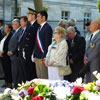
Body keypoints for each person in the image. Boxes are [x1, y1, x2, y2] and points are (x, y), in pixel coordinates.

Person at [20, 8, 39, 81]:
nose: (27, 16)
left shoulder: (36, 26)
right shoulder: (29, 25)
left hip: (32, 53)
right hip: (27, 52)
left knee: (32, 73)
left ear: (34, 16)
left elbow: (35, 41)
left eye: (29, 14)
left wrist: (33, 54)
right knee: (27, 72)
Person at [34, 10, 53, 79]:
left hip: (43, 56)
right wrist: (34, 55)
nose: (37, 18)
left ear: (43, 17)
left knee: (44, 76)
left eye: (38, 16)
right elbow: (36, 42)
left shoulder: (47, 27)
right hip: (38, 56)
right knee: (39, 75)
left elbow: (47, 43)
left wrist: (45, 56)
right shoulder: (39, 27)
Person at [8, 19, 22, 88]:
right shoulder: (15, 31)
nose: (12, 25)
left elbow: (17, 43)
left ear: (17, 24)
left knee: (16, 72)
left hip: (16, 55)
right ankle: (15, 86)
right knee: (14, 72)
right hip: (12, 56)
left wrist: (12, 51)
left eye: (13, 24)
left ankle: (17, 87)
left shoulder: (20, 31)